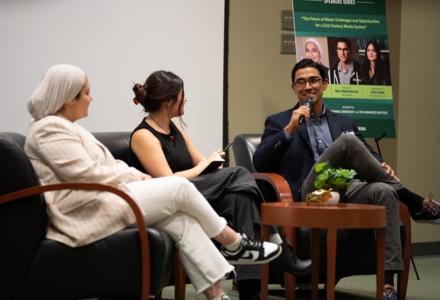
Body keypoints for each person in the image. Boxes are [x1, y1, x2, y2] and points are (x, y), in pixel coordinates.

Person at [24, 64, 283, 300]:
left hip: (104, 198)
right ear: (69, 98)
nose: (91, 98)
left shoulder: (67, 126)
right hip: (84, 211)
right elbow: (86, 173)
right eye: (87, 92)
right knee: (179, 187)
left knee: (184, 221)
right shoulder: (48, 128)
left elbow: (106, 166)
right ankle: (233, 241)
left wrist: (131, 174)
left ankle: (218, 296)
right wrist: (135, 175)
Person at [253, 58, 440, 300]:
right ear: (293, 88)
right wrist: (289, 130)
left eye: (313, 80)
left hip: (347, 189)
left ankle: (387, 286)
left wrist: (381, 165)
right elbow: (259, 162)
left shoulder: (344, 122)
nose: (307, 86)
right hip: (311, 193)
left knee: (384, 190)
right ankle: (415, 203)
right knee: (347, 141)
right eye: (301, 82)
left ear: (325, 85)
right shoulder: (279, 121)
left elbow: (368, 154)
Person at [127, 70, 311, 300]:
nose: (185, 99)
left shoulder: (174, 128)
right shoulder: (143, 135)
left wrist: (212, 163)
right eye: (182, 95)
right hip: (170, 199)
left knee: (240, 196)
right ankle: (278, 244)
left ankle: (250, 292)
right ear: (168, 102)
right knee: (241, 174)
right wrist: (202, 167)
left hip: (194, 194)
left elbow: (200, 163)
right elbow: (168, 182)